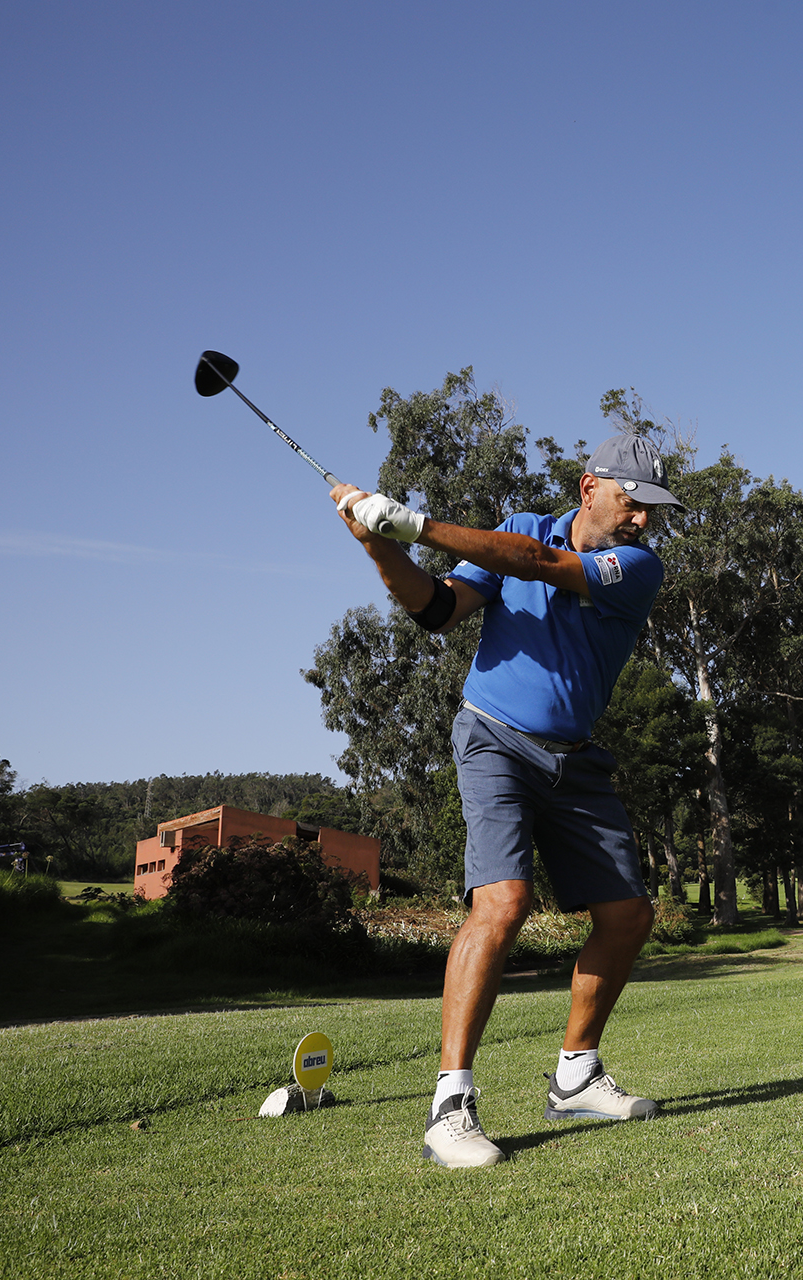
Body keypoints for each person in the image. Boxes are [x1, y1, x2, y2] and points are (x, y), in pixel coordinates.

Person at [330, 431, 683, 1168]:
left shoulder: (636, 566)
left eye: (651, 508)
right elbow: (437, 608)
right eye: (632, 502)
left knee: (627, 917)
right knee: (503, 903)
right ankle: (450, 1105)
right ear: (589, 488)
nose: (642, 519)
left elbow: (541, 565)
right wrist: (377, 544)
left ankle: (576, 1074)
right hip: (493, 739)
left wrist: (415, 525)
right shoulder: (520, 527)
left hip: (576, 761)